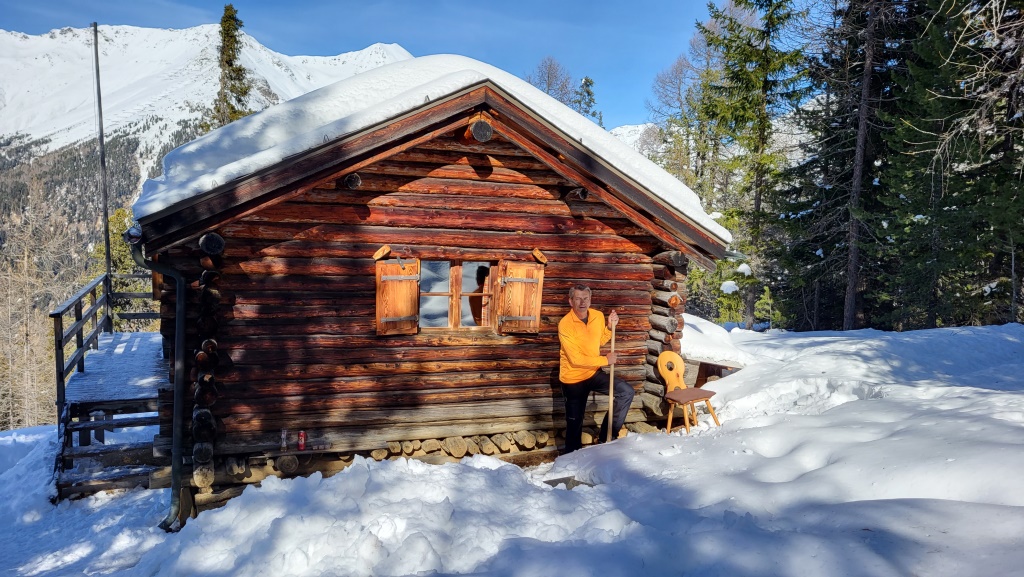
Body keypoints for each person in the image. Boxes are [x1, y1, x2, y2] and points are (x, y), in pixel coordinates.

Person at [557, 283, 635, 453]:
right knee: (574, 424)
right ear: (571, 301)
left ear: (590, 299)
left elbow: (599, 341)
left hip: (592, 372)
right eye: (578, 299)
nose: (582, 302)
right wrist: (605, 360)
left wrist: (609, 327)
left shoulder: (597, 316)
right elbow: (576, 359)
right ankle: (572, 458)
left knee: (625, 392)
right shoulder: (565, 324)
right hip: (573, 378)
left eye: (585, 298)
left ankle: (607, 437)